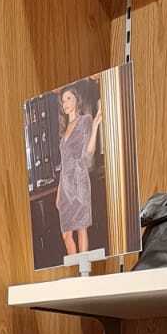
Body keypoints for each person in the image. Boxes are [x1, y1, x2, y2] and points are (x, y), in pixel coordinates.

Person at [55, 83, 101, 258]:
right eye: (63, 100)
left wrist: (95, 126)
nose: (65, 103)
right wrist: (59, 192)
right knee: (66, 235)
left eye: (69, 98)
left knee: (81, 229)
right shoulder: (63, 130)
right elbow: (63, 164)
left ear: (76, 100)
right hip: (65, 187)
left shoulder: (85, 120)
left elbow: (88, 154)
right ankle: (75, 268)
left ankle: (83, 270)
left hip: (79, 181)